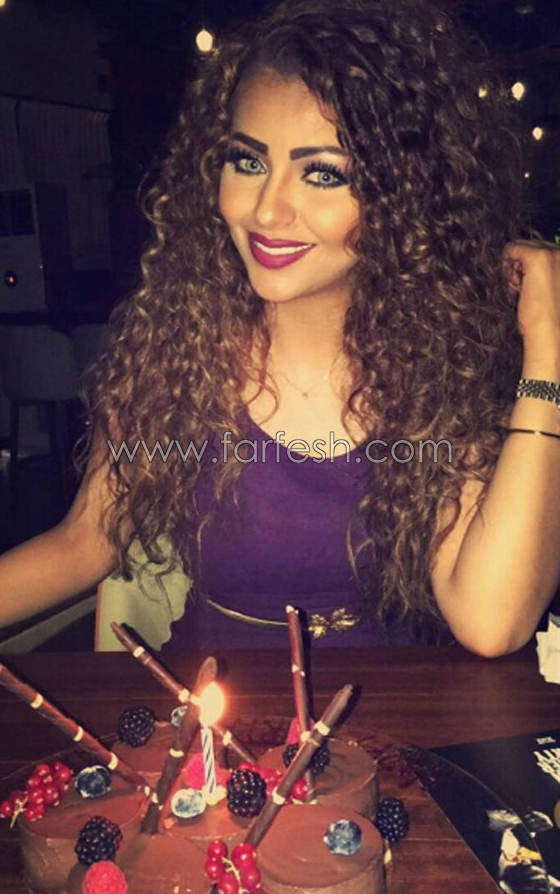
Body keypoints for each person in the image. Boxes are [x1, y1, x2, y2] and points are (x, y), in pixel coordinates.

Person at [0, 0, 559, 654]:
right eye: (248, 162)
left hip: (392, 708)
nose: (267, 210)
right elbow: (84, 542)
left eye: (322, 173)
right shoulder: (175, 350)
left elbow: (493, 623)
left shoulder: (440, 368)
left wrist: (548, 350)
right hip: (208, 701)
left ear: (404, 196)